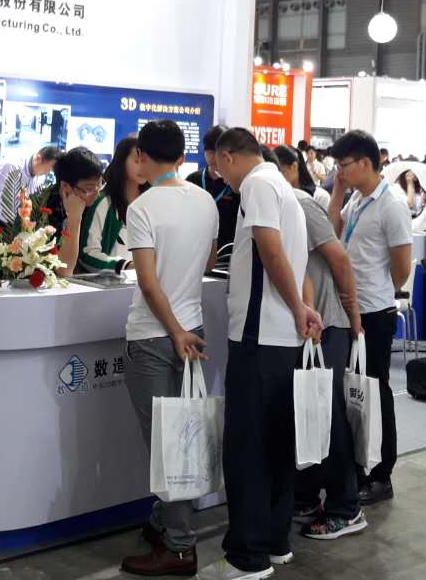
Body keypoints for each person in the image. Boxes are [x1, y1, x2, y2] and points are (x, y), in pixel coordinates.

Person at [199, 128, 321, 580]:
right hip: (279, 337)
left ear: (229, 156)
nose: (220, 176)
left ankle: (246, 557)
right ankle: (274, 541)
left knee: (247, 448)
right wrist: (301, 306)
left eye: (218, 166)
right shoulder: (283, 187)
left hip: (259, 336)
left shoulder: (257, 185)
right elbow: (291, 258)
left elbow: (271, 251)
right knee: (276, 443)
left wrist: (298, 308)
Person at [120, 121, 220, 577]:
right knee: (182, 435)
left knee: (166, 445)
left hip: (154, 336)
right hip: (191, 329)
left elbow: (147, 281)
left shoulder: (142, 208)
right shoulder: (205, 200)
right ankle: (165, 524)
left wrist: (173, 329)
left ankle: (180, 548)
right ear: (181, 157)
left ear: (141, 155)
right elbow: (208, 260)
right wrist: (183, 327)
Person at [272, 149, 366, 542]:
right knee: (308, 409)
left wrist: (352, 314)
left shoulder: (296, 201)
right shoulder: (273, 203)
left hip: (328, 322)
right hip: (306, 324)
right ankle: (308, 494)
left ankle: (346, 507)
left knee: (329, 415)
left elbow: (339, 259)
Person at [328, 129, 412, 506]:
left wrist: (377, 293)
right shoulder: (358, 199)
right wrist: (336, 193)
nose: (340, 172)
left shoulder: (391, 205)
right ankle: (358, 468)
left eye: (344, 165)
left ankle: (382, 474)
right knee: (353, 393)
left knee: (376, 394)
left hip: (375, 313)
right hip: (349, 309)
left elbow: (402, 268)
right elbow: (332, 233)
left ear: (365, 162)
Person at [80, 135, 148, 273]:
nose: (142, 167)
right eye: (137, 161)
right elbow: (87, 254)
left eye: (146, 162)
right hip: (111, 283)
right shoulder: (104, 203)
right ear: (122, 161)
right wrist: (125, 266)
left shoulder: (152, 203)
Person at [0, 145, 60, 255]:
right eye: (47, 169)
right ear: (38, 159)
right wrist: (16, 216)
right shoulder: (10, 165)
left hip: (17, 230)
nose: (47, 173)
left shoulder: (40, 177)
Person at [50, 147, 106, 279]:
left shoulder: (98, 206)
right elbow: (64, 271)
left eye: (100, 185)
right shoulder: (42, 210)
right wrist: (74, 219)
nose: (97, 194)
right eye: (89, 189)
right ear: (65, 187)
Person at [187, 125, 239, 260]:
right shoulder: (193, 180)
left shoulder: (236, 184)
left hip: (228, 255)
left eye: (219, 152)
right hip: (195, 253)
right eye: (210, 151)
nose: (215, 157)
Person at [273, 144, 330, 211]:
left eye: (280, 171)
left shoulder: (320, 197)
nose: (276, 176)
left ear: (294, 166)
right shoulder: (278, 194)